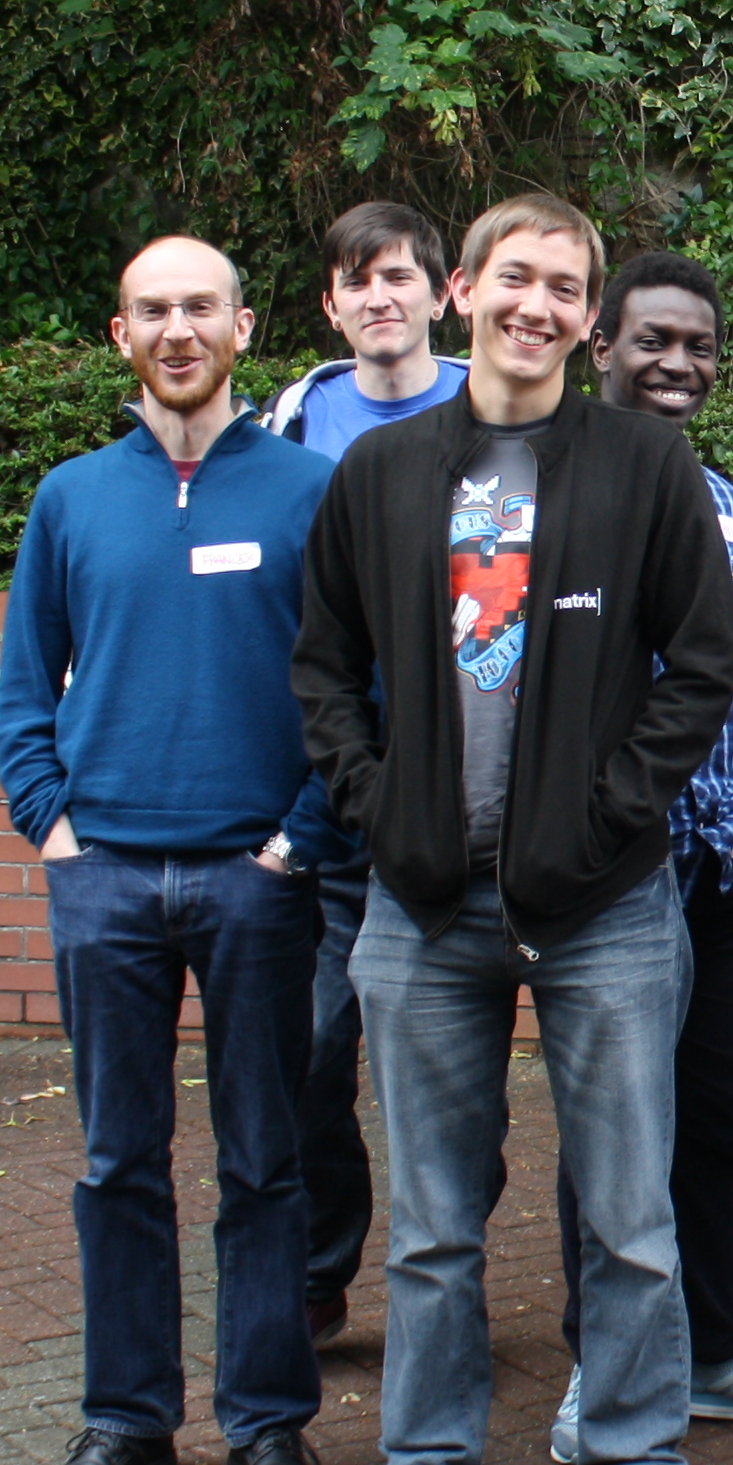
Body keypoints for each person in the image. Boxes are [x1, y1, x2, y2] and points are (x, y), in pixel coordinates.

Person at [292, 194, 733, 1465]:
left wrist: (613, 814)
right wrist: (378, 809)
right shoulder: (381, 473)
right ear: (464, 288)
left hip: (603, 899)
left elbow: (700, 663)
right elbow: (322, 668)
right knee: (431, 1220)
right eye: (515, 278)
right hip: (423, 903)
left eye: (565, 288)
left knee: (627, 1207)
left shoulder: (644, 466)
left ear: (589, 318)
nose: (536, 306)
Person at [0, 235, 336, 1465]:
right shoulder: (72, 497)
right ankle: (126, 1421)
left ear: (244, 329)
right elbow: (27, 686)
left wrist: (300, 839)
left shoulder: (309, 491)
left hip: (259, 880)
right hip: (108, 881)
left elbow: (351, 690)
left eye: (201, 307)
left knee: (265, 1161)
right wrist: (53, 828)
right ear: (120, 333)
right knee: (116, 1162)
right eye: (154, 311)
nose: (179, 330)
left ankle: (266, 1426)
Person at [542, 254, 733, 1448]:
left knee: (717, 1116)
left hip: (724, 856)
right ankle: (601, 1367)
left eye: (700, 347)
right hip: (615, 864)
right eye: (653, 341)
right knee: (613, 1123)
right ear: (601, 343)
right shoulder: (550, 482)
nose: (678, 364)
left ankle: (713, 1345)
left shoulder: (720, 491)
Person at [266, 200, 474, 1349]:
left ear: (442, 294)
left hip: (461, 790)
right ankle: (317, 1268)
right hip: (336, 793)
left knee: (443, 1069)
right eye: (358, 281)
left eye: (400, 276)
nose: (379, 297)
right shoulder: (294, 420)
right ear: (331, 304)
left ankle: (450, 1259)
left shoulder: (490, 404)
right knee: (312, 1046)